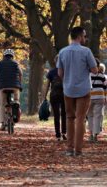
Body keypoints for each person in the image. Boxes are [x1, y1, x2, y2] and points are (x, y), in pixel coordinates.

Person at [57, 26, 98, 156]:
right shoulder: (86, 52)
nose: (85, 38)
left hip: (68, 89)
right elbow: (95, 70)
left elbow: (60, 73)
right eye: (84, 36)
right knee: (80, 119)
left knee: (70, 118)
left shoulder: (62, 52)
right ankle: (78, 150)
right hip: (84, 90)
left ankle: (69, 148)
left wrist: (68, 80)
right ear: (80, 37)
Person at [0, 49, 22, 131]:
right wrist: (19, 83)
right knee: (16, 100)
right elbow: (21, 73)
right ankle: (15, 109)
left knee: (2, 104)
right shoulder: (16, 63)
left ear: (4, 56)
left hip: (3, 86)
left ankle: (3, 123)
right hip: (15, 86)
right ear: (12, 56)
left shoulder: (0, 63)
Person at [44, 55, 66, 141]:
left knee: (56, 115)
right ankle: (64, 132)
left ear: (55, 61)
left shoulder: (51, 72)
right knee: (64, 114)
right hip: (65, 94)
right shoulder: (66, 71)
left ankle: (58, 135)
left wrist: (45, 96)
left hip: (54, 95)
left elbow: (47, 85)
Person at [87, 59, 106, 142]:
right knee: (97, 116)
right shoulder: (102, 76)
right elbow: (105, 87)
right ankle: (95, 135)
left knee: (90, 115)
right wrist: (105, 97)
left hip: (90, 97)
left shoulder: (88, 75)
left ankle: (90, 134)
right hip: (100, 97)